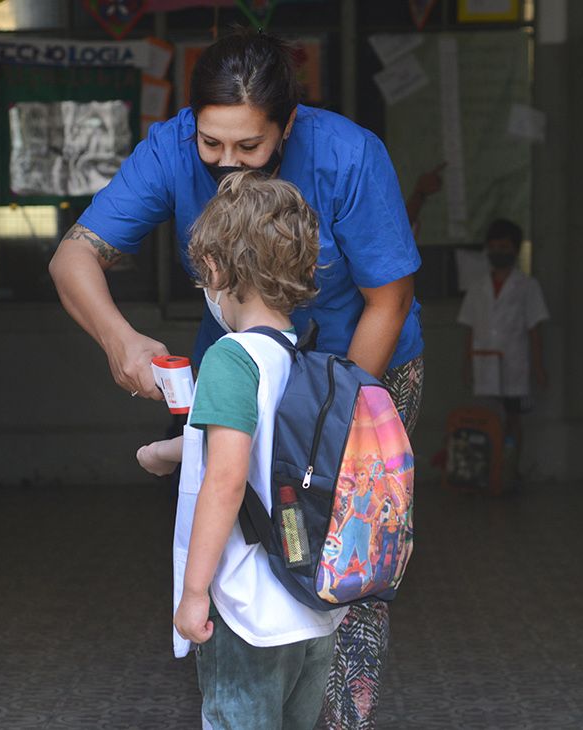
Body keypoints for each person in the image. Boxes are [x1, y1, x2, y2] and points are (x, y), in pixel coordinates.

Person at [47, 29, 423, 728]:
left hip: (361, 376)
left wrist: (328, 420)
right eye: (211, 145)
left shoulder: (349, 155)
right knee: (257, 534)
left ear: (287, 126)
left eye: (250, 148)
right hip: (251, 363)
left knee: (342, 552)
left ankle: (336, 715)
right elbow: (72, 258)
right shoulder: (170, 146)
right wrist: (118, 340)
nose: (226, 163)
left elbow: (389, 300)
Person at [136, 172, 343, 730]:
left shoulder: (232, 358)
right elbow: (255, 447)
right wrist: (167, 452)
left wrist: (194, 591)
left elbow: (227, 479)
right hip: (309, 608)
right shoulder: (302, 357)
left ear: (220, 270)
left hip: (245, 604)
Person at [457, 219, 549, 482]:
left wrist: (539, 366)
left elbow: (534, 329)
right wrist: (466, 364)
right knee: (487, 418)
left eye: (505, 246)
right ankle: (486, 471)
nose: (499, 251)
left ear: (515, 249)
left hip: (513, 362)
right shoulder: (477, 287)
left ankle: (509, 471)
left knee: (513, 418)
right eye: (494, 246)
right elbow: (469, 328)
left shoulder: (527, 286)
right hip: (483, 361)